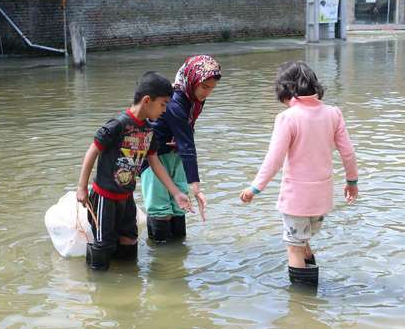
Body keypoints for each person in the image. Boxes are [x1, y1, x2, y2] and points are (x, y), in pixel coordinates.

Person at [239, 61, 358, 288]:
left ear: (286, 90)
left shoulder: (287, 118)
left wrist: (255, 188)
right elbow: (348, 153)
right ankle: (312, 289)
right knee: (302, 240)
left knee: (293, 246)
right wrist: (352, 182)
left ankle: (301, 302)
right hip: (321, 199)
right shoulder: (333, 113)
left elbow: (273, 159)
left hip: (297, 199)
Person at [76, 71, 193, 271]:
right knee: (104, 245)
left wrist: (176, 192)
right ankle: (98, 289)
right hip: (105, 197)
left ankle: (128, 286)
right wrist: (82, 188)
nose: (165, 110)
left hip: (126, 197)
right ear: (147, 100)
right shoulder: (117, 125)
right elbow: (92, 152)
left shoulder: (149, 130)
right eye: (163, 104)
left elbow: (155, 163)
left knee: (129, 242)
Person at [140, 55, 222, 243]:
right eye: (205, 87)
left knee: (179, 206)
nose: (207, 92)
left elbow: (186, 132)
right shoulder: (176, 101)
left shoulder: (193, 99)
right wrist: (196, 187)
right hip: (154, 157)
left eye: (212, 88)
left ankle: (177, 259)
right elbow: (187, 144)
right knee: (161, 208)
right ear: (192, 80)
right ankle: (161, 260)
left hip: (175, 154)